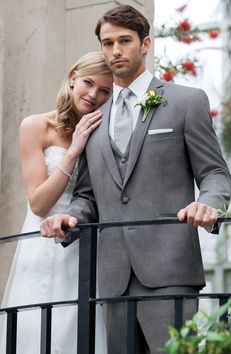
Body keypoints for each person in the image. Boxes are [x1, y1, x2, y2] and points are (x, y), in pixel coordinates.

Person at [40, 5, 231, 354]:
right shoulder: (92, 120)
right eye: (107, 43)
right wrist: (71, 216)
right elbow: (87, 196)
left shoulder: (186, 102)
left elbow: (215, 173)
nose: (115, 51)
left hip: (170, 271)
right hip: (113, 277)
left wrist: (208, 204)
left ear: (145, 44)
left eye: (124, 41)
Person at [0, 51, 113, 354]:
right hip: (41, 243)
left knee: (80, 332)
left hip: (84, 244)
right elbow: (38, 203)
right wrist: (75, 148)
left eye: (105, 90)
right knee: (33, 331)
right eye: (88, 83)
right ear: (73, 77)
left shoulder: (103, 131)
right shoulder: (36, 126)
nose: (94, 95)